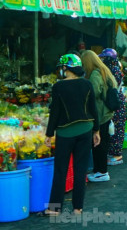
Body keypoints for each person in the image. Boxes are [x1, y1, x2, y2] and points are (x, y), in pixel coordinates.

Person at [44, 54, 100, 216]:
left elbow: (55, 112)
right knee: (80, 169)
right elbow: (93, 108)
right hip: (85, 130)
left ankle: (55, 208)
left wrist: (49, 133)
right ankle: (78, 207)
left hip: (65, 132)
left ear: (65, 68)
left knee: (60, 170)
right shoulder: (87, 84)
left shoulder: (58, 87)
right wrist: (96, 130)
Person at [81, 50, 116, 182]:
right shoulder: (104, 71)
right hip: (106, 112)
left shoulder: (95, 73)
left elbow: (94, 92)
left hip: (100, 113)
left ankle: (101, 172)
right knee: (101, 143)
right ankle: (99, 170)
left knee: (99, 144)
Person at [99, 48, 126, 166]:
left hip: (115, 101)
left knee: (116, 128)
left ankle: (117, 156)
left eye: (104, 58)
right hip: (117, 100)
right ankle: (114, 153)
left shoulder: (112, 70)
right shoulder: (115, 68)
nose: (102, 60)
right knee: (115, 127)